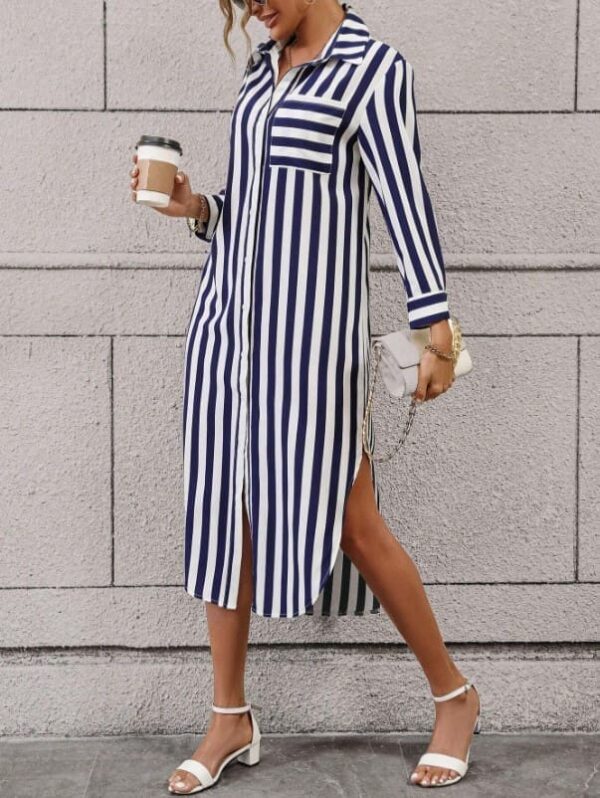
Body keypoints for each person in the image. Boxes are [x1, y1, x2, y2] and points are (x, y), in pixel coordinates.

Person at [129, 0, 481, 792]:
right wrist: (196, 207)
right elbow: (253, 213)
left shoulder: (373, 71)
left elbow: (406, 203)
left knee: (354, 523)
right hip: (226, 336)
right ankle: (229, 716)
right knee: (225, 515)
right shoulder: (261, 72)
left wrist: (437, 327)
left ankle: (454, 696)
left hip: (312, 350)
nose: (251, 8)